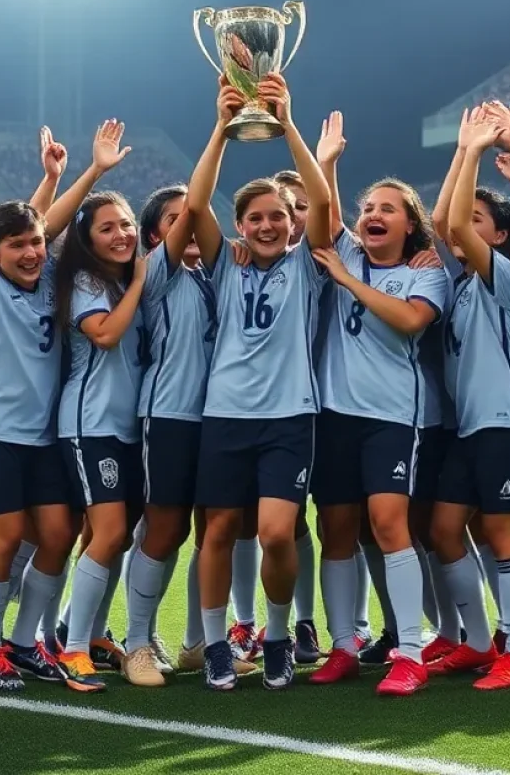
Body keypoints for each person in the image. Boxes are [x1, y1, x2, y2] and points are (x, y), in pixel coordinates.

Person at [0, 121, 124, 692]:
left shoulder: (51, 283)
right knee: (8, 536)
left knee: (58, 535)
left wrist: (87, 172)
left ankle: (22, 642)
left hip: (40, 437)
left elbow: (47, 223)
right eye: (16, 246)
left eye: (37, 243)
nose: (32, 252)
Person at [189, 72, 331, 691]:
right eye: (256, 218)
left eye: (278, 216)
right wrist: (222, 127)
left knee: (277, 533)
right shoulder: (224, 262)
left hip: (289, 418)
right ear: (240, 225)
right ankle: (218, 643)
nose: (269, 225)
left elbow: (322, 204)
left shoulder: (309, 265)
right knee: (218, 531)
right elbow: (196, 206)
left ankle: (277, 634)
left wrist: (287, 121)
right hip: (224, 416)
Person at [309, 118, 449, 695]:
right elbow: (324, 214)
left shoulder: (429, 274)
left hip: (396, 416)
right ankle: (343, 646)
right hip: (335, 415)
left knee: (391, 526)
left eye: (389, 208)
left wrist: (345, 278)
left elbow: (410, 322)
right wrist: (329, 162)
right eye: (369, 205)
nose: (375, 213)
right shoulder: (344, 249)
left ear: (410, 224)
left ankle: (410, 653)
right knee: (336, 529)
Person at [426, 105, 510, 691]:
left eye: (479, 220)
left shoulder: (506, 276)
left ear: (498, 235)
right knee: (445, 530)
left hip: (505, 419)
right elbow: (441, 223)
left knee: (503, 534)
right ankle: (476, 641)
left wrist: (470, 152)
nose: (462, 227)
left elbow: (451, 229)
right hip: (468, 426)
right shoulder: (463, 282)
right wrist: (461, 152)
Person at [122, 185, 221, 684]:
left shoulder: (218, 275)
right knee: (164, 530)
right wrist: (223, 133)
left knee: (212, 532)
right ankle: (136, 641)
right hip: (168, 416)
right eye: (174, 219)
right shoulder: (156, 272)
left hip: (221, 418)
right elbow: (197, 208)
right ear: (155, 235)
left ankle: (197, 643)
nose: (189, 224)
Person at [54, 190, 146, 690]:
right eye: (107, 228)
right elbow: (106, 334)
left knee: (113, 537)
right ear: (87, 239)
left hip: (127, 427)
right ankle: (70, 651)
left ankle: (83, 631)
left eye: (127, 225)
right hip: (91, 424)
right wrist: (141, 283)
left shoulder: (121, 280)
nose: (122, 235)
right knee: (108, 534)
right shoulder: (89, 280)